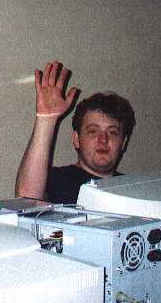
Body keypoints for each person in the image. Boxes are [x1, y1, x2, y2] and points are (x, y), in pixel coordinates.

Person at [15, 61, 136, 204]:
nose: (103, 139)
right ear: (77, 140)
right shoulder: (57, 179)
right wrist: (46, 119)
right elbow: (26, 200)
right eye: (93, 131)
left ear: (124, 143)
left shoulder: (134, 187)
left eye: (112, 133)